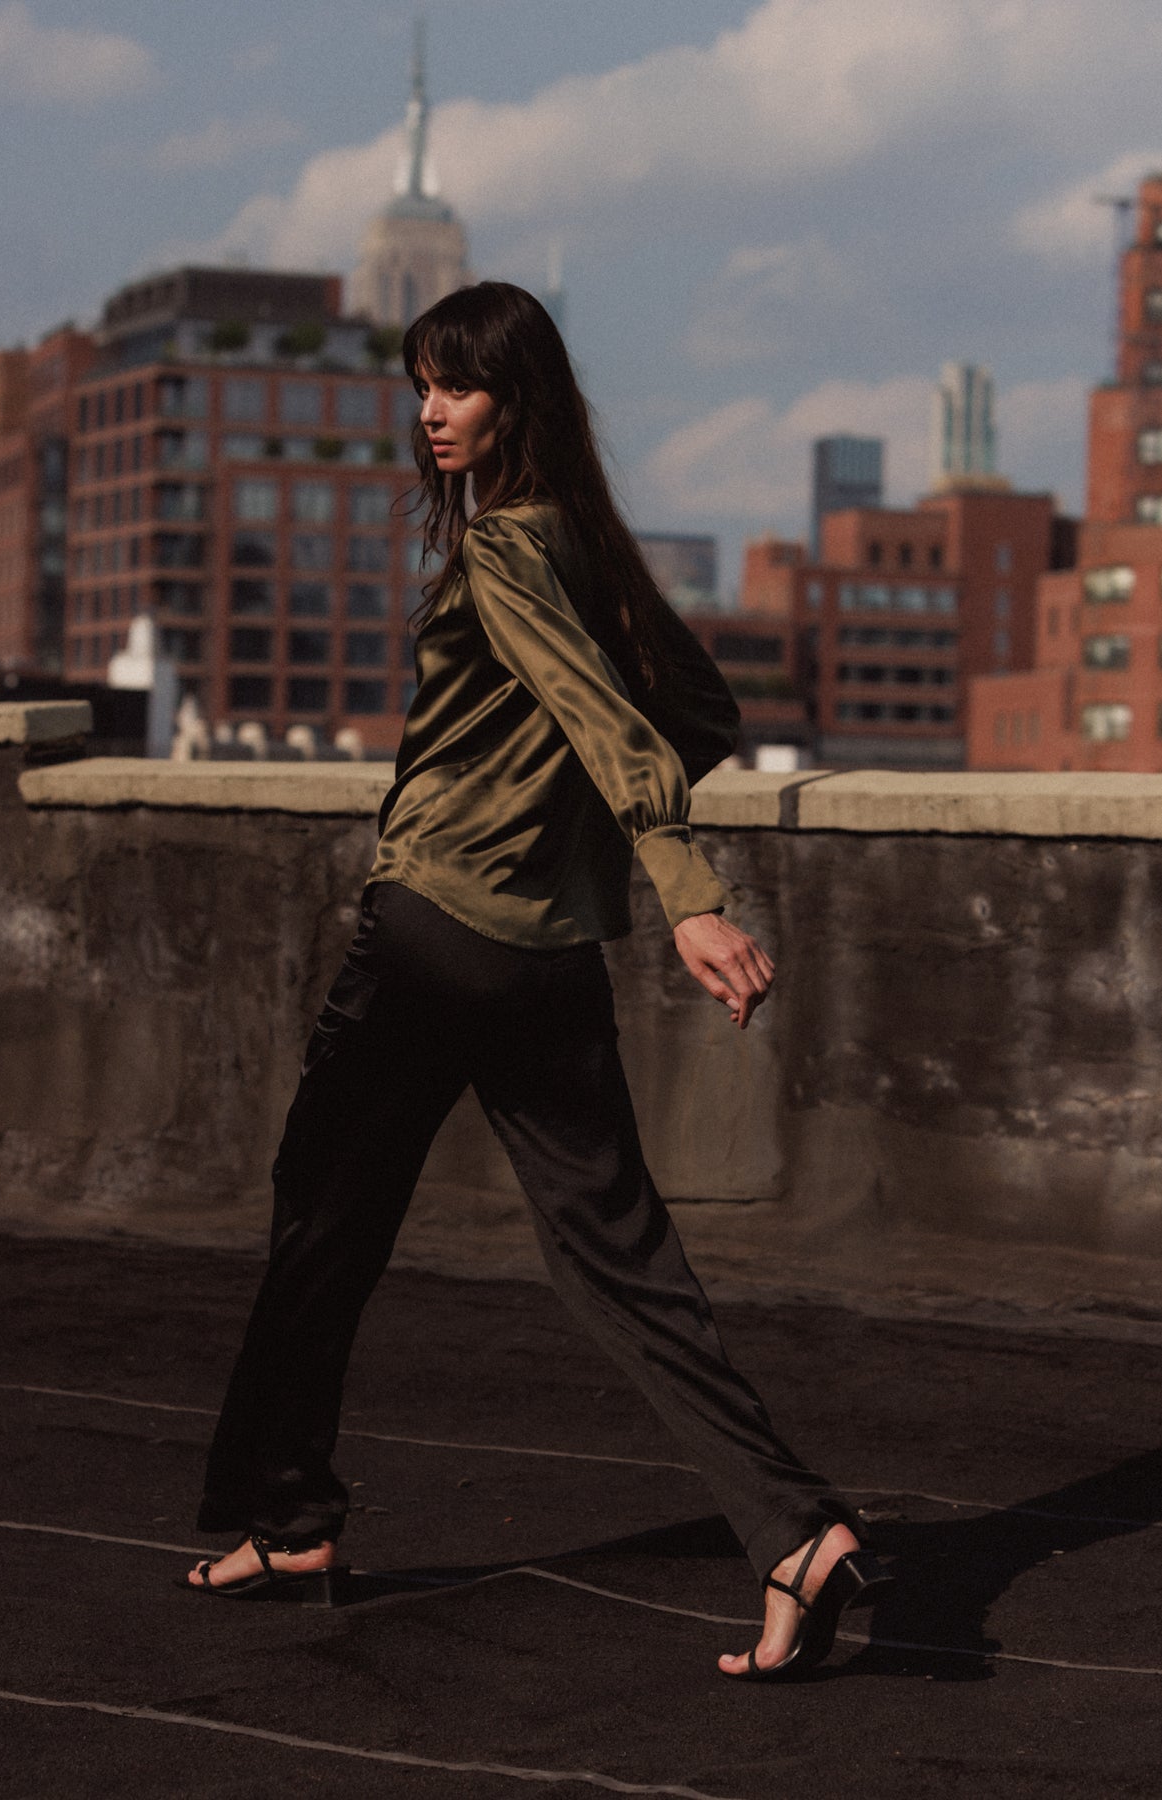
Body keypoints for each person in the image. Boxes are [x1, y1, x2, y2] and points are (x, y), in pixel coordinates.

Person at [184, 281, 891, 1679]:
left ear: (520, 399)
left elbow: (609, 727)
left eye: (458, 387)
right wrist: (582, 833)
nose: (430, 414)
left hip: (434, 931)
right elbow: (691, 710)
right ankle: (794, 1535)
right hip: (545, 956)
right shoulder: (585, 545)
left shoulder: (507, 551)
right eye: (420, 386)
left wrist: (684, 891)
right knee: (619, 1262)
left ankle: (289, 1513)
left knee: (320, 1226)